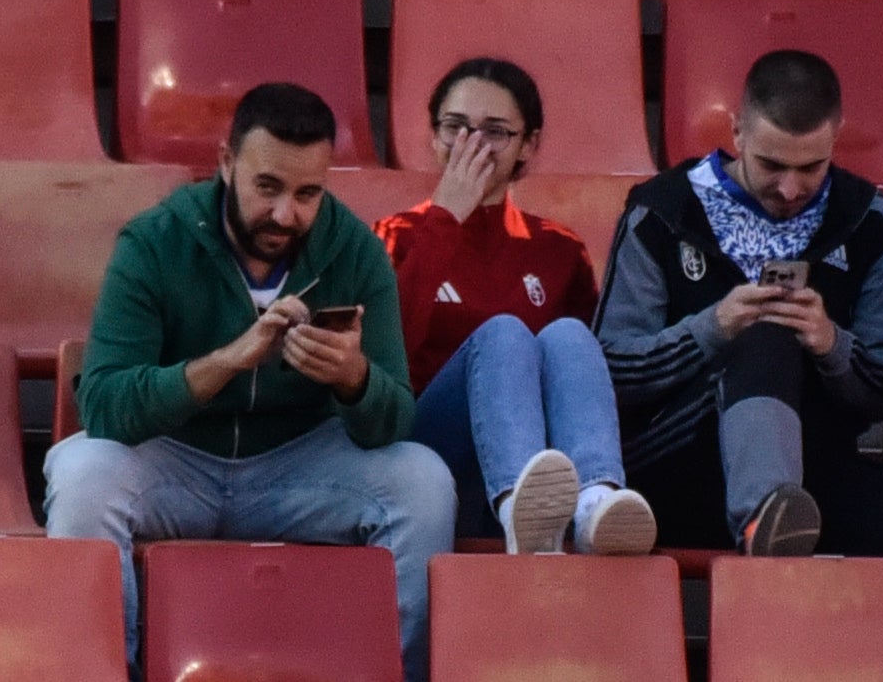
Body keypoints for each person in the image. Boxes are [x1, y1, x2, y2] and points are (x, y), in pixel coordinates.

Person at [47, 82, 455, 682]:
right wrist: (229, 361)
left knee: (423, 482)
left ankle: (403, 673)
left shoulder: (357, 252)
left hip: (298, 468)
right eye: (268, 187)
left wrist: (353, 378)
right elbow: (105, 405)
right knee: (83, 473)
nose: (286, 214)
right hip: (177, 460)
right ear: (226, 163)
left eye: (308, 193)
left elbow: (394, 420)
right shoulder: (156, 242)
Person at [594, 49, 883, 558]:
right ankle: (764, 519)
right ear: (737, 133)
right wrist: (715, 327)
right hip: (678, 454)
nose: (790, 188)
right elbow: (612, 370)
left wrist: (832, 344)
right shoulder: (662, 211)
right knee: (765, 334)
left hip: (820, 459)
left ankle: (776, 519)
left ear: (835, 138)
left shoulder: (873, 222)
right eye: (771, 165)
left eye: (812, 167)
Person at [373, 57, 661, 556]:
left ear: (528, 144)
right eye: (456, 127)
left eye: (496, 132)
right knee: (503, 333)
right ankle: (518, 509)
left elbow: (584, 377)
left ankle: (595, 500)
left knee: (571, 336)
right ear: (433, 135)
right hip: (428, 451)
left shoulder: (557, 247)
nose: (473, 145)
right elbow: (385, 351)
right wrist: (447, 218)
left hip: (547, 458)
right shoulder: (393, 235)